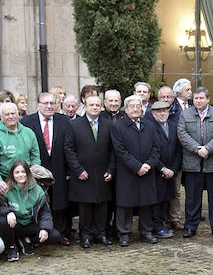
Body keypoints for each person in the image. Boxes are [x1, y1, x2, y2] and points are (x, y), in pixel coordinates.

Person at [64, 94, 115, 248]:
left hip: (102, 172)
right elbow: (69, 149)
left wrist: (111, 169)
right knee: (85, 206)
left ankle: (101, 233)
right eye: (91, 105)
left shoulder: (108, 124)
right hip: (83, 173)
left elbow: (114, 150)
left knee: (102, 205)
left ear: (101, 107)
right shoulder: (74, 125)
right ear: (84, 107)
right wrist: (78, 170)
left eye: (97, 105)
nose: (94, 107)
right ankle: (85, 235)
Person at [178, 88, 213, 238]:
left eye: (201, 98)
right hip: (192, 163)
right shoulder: (185, 114)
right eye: (196, 98)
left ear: (208, 99)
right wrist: (197, 149)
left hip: (212, 163)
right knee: (192, 197)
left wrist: (208, 148)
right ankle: (190, 226)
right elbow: (182, 133)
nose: (198, 101)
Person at [113, 96, 162, 245]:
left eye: (138, 106)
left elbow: (156, 148)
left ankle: (146, 231)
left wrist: (148, 165)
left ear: (142, 108)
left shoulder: (150, 125)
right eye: (132, 106)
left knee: (146, 203)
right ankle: (124, 233)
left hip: (147, 171)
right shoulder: (118, 126)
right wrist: (137, 166)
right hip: (127, 172)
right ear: (126, 109)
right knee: (125, 204)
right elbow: (120, 151)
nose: (135, 109)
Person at [23, 91, 71, 244]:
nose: (49, 106)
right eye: (45, 103)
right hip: (37, 169)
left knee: (60, 202)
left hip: (60, 167)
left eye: (52, 103)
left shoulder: (64, 121)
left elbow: (70, 146)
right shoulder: (27, 122)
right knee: (39, 201)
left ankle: (61, 233)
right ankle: (39, 235)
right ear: (38, 105)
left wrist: (69, 170)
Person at [0, 160, 56, 261]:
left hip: (30, 224)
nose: (20, 175)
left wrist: (44, 228)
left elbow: (45, 212)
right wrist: (8, 211)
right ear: (12, 175)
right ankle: (11, 247)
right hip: (14, 225)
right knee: (2, 222)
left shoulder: (38, 190)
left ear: (28, 173)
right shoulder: (6, 189)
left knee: (54, 235)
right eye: (17, 172)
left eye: (23, 172)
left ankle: (27, 240)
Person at [146, 99, 182, 241]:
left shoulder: (173, 125)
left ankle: (162, 225)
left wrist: (172, 169)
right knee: (156, 200)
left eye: (165, 110)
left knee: (167, 199)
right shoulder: (149, 127)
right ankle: (156, 227)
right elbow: (149, 151)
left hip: (171, 171)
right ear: (153, 113)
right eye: (159, 111)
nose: (162, 113)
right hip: (156, 171)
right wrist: (162, 168)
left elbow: (179, 150)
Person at [0, 101, 40, 186]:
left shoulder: (29, 132)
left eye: (13, 113)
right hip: (6, 180)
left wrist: (34, 175)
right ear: (1, 117)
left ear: (18, 115)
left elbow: (35, 156)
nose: (10, 117)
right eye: (7, 114)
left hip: (27, 178)